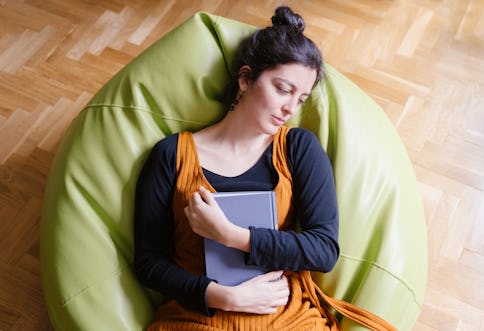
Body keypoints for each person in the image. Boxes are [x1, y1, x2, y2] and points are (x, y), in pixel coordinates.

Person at [134, 6, 396, 331]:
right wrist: (222, 297)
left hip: (286, 316)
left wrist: (232, 236)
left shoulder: (298, 148)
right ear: (245, 79)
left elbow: (324, 250)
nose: (290, 108)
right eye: (283, 89)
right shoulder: (172, 154)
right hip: (197, 317)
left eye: (301, 99)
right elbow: (148, 262)